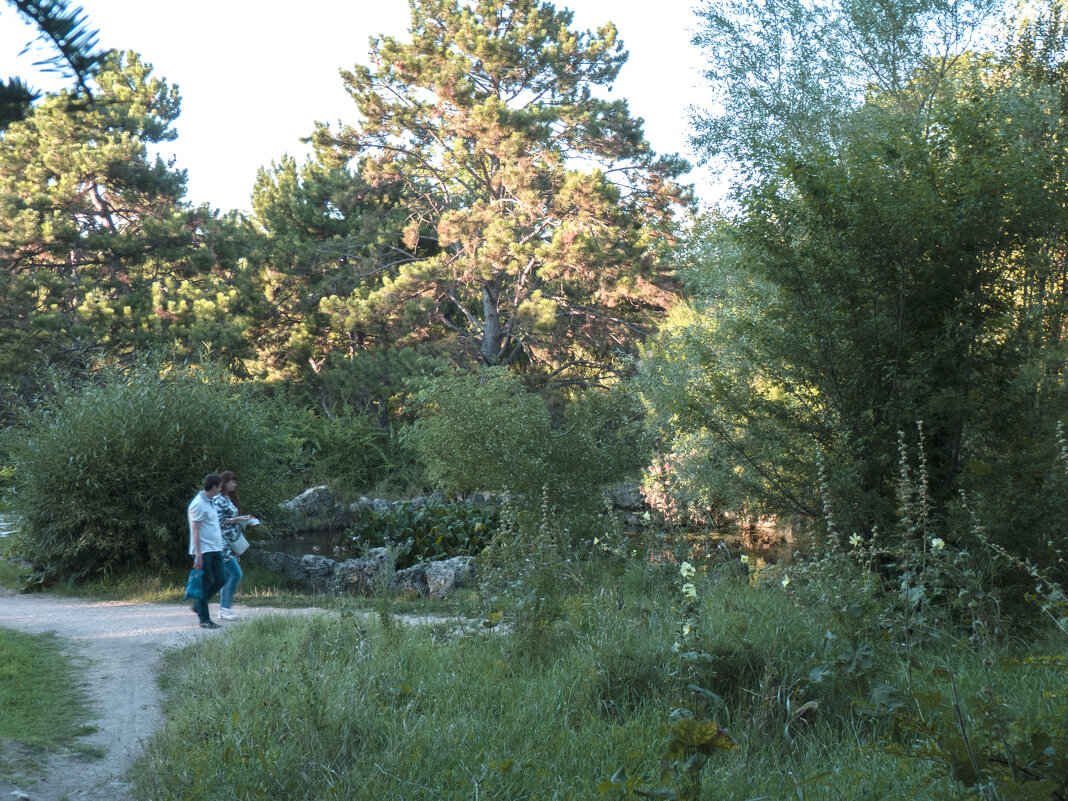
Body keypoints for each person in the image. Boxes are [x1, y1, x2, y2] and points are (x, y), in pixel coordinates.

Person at [187, 473, 228, 629]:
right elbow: (195, 531)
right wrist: (198, 556)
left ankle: (198, 604)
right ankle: (204, 619)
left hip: (215, 548)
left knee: (221, 579)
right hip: (203, 550)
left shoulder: (210, 501)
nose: (220, 490)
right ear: (214, 487)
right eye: (219, 487)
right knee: (204, 584)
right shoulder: (198, 504)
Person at [212, 470, 251, 620]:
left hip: (231, 542)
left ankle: (224, 609)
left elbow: (232, 518)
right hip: (222, 544)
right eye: (232, 481)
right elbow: (219, 521)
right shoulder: (218, 499)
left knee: (227, 575)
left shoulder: (228, 498)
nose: (234, 484)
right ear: (224, 483)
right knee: (236, 574)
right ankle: (225, 608)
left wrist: (244, 520)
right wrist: (237, 519)